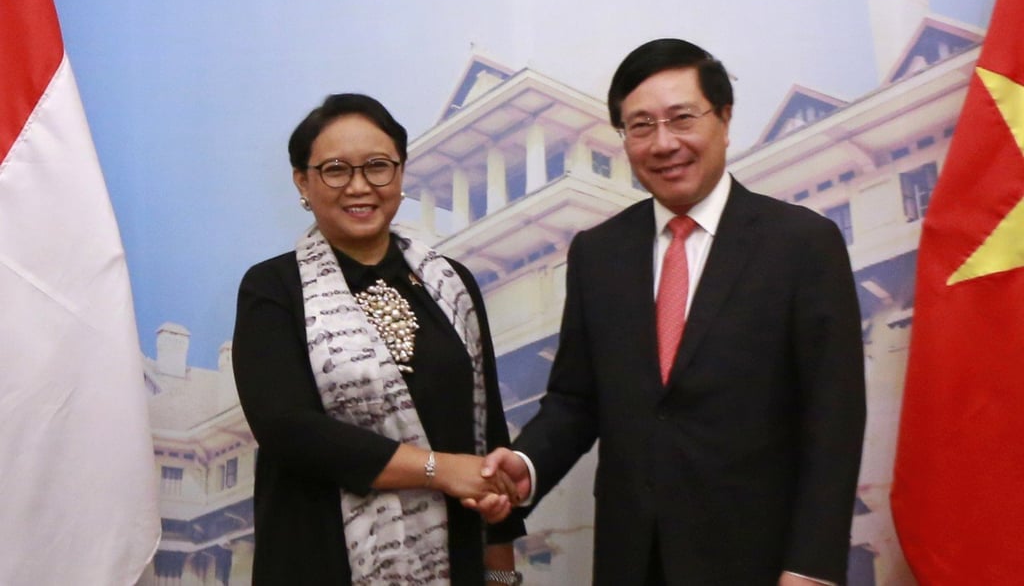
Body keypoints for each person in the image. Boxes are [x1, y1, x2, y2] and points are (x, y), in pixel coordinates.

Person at [468, 39, 866, 585]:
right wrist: (526, 465)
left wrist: (813, 566)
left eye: (682, 119)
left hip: (761, 560)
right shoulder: (597, 252)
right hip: (633, 559)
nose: (663, 144)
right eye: (640, 126)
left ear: (724, 119)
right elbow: (576, 401)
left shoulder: (801, 243)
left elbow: (834, 419)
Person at [232, 93, 525, 585]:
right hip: (321, 557)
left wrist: (500, 572)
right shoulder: (273, 289)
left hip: (454, 557)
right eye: (335, 170)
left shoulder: (451, 283)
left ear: (401, 173)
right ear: (302, 181)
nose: (359, 186)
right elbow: (289, 430)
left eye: (377, 166)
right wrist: (439, 470)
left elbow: (488, 432)